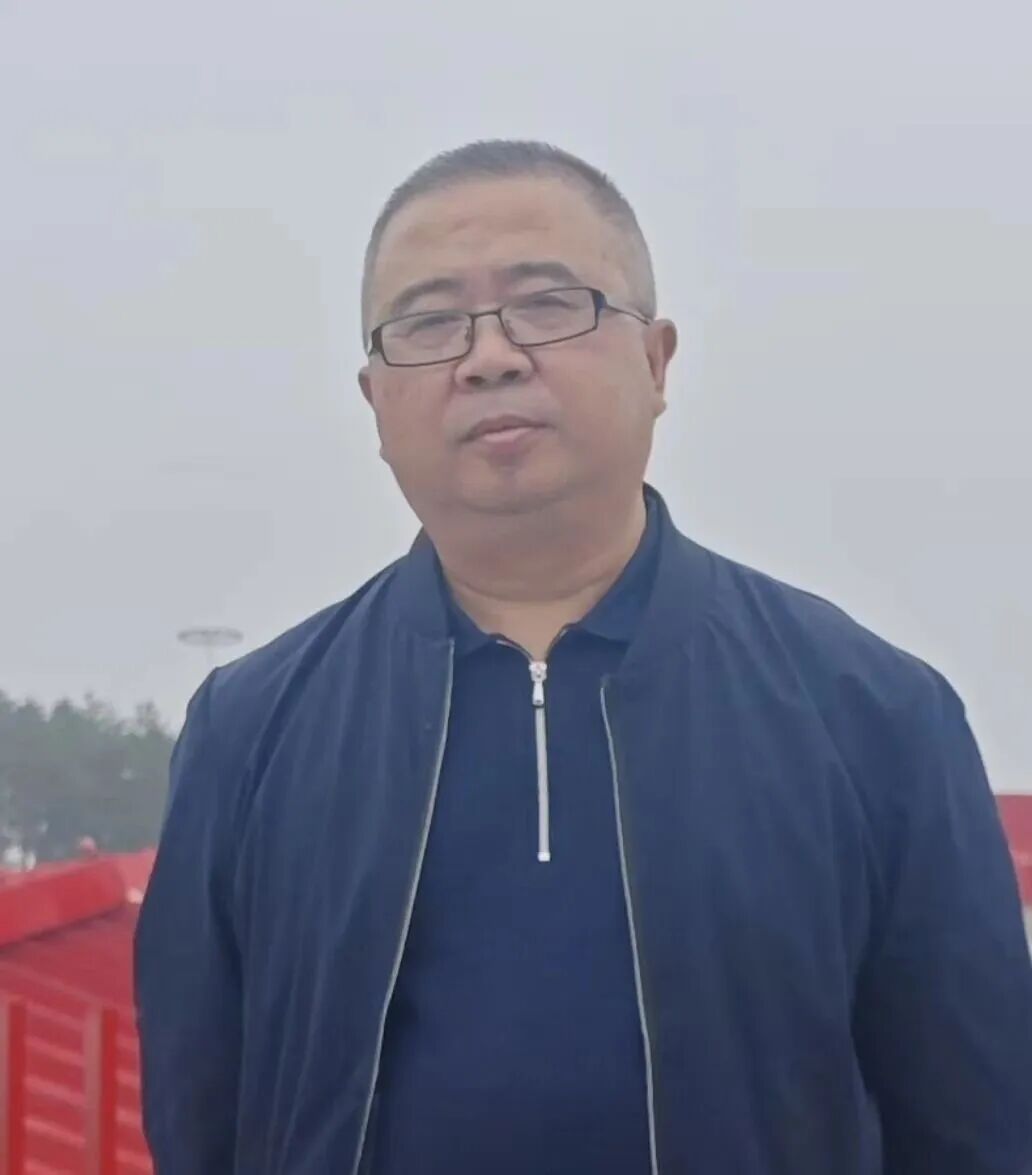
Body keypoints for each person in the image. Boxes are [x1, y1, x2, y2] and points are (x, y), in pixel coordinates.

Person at [134, 140, 1032, 1175]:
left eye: (546, 304)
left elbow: (979, 1126)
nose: (490, 356)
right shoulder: (252, 732)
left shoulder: (875, 716)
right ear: (375, 399)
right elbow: (200, 1117)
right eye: (429, 323)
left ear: (657, 361)